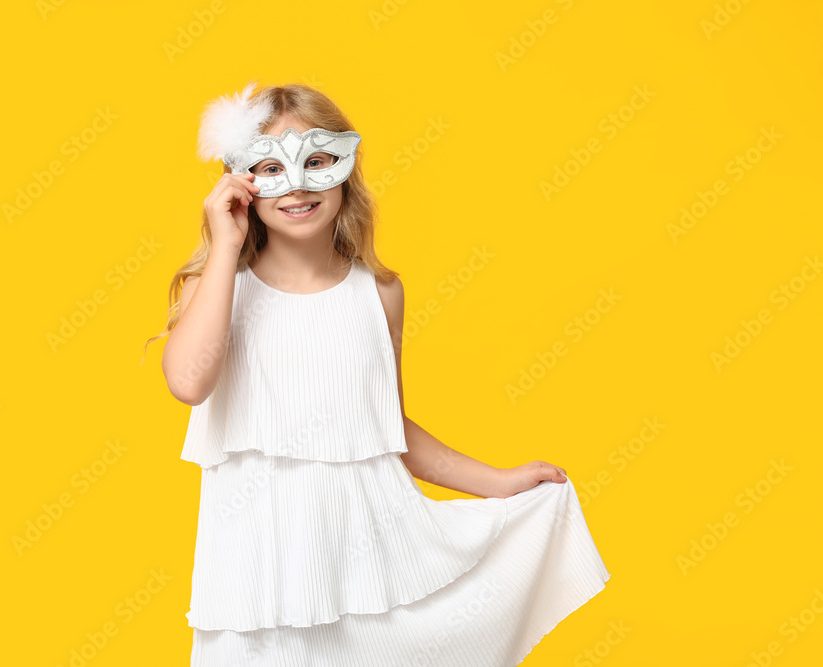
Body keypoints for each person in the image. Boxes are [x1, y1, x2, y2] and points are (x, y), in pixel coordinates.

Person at [144, 81, 611, 667]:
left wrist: (497, 482)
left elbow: (387, 426)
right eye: (271, 167)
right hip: (256, 570)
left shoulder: (380, 294)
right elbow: (189, 383)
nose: (297, 185)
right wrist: (223, 246)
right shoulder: (214, 288)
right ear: (241, 183)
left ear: (345, 168)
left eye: (317, 161)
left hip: (368, 559)